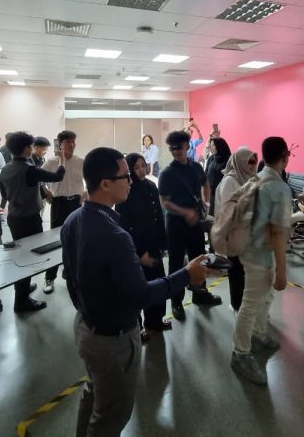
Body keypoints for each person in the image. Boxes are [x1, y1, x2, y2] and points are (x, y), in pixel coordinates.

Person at [61, 147, 209, 437]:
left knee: (94, 395)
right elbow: (140, 296)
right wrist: (186, 275)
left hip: (86, 327)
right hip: (112, 341)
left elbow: (72, 279)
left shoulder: (74, 219)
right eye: (125, 176)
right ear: (106, 183)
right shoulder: (116, 236)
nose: (131, 181)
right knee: (111, 416)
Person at [231, 137, 292, 386]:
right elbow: (277, 233)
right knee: (251, 303)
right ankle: (240, 353)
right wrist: (282, 271)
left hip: (249, 249)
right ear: (285, 157)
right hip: (261, 255)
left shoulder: (255, 179)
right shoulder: (278, 188)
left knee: (264, 297)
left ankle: (258, 334)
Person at [0, 131, 66, 312]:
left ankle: (23, 288)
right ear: (27, 148)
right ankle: (21, 301)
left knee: (21, 255)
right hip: (29, 219)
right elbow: (58, 176)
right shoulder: (30, 170)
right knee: (27, 259)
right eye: (31, 146)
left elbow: (4, 194)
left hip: (14, 217)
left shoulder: (5, 168)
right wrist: (61, 158)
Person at [158, 130, 221, 321]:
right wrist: (185, 212)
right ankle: (176, 301)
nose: (175, 151)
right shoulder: (167, 173)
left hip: (195, 223)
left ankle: (200, 294)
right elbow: (164, 202)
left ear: (187, 146)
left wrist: (206, 203)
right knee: (176, 263)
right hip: (175, 224)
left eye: (179, 147)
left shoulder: (196, 167)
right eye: (172, 148)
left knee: (199, 258)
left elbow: (205, 184)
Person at [115, 153, 171, 340]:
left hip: (153, 245)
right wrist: (138, 254)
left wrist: (162, 244)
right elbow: (123, 226)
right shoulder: (126, 190)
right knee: (137, 288)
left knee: (158, 285)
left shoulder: (151, 186)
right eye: (136, 167)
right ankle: (137, 327)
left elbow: (158, 216)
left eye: (143, 166)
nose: (141, 170)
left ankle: (155, 320)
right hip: (136, 249)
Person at [214, 146, 258, 312]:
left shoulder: (251, 178)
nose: (253, 165)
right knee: (237, 271)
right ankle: (237, 305)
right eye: (249, 162)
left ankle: (248, 303)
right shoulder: (230, 181)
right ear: (240, 163)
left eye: (254, 161)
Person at [42, 130, 85, 294]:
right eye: (68, 142)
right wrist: (45, 192)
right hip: (58, 203)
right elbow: (37, 179)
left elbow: (90, 179)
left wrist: (85, 193)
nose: (72, 145)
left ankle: (71, 274)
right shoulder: (52, 162)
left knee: (76, 239)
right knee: (55, 240)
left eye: (73, 141)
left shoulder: (80, 161)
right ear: (60, 144)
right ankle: (49, 277)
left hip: (76, 203)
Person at [204, 136, 231, 217]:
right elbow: (206, 173)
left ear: (219, 146)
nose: (211, 147)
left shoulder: (228, 159)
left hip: (221, 193)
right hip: (210, 193)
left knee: (219, 216)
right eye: (211, 145)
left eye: (213, 145)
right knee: (209, 215)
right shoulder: (211, 158)